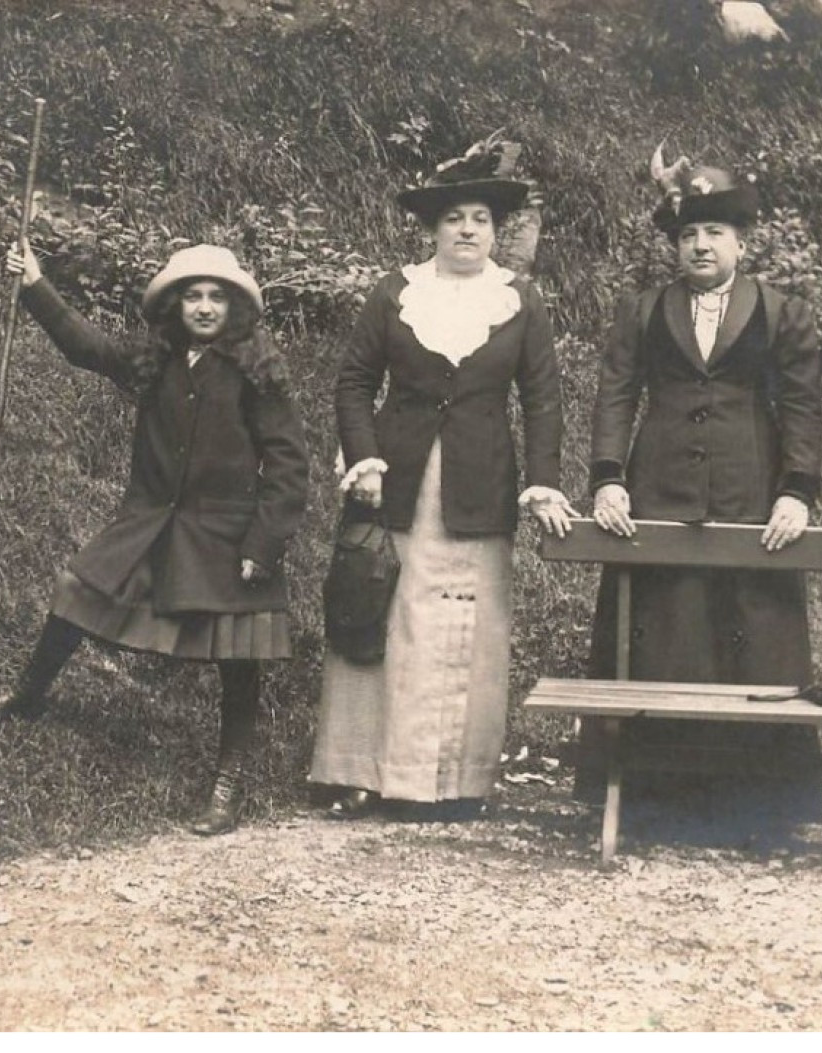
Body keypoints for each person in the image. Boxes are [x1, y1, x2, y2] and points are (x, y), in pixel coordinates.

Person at [0, 240, 310, 837]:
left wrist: (263, 544)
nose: (204, 307)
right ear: (174, 305)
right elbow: (86, 348)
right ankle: (29, 695)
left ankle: (226, 781)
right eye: (192, 296)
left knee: (239, 652)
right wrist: (34, 285)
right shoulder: (157, 360)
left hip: (227, 532)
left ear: (235, 308)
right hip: (151, 520)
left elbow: (287, 467)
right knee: (78, 589)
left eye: (216, 297)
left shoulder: (259, 374)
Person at [308, 136, 575, 822]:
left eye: (480, 219)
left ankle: (453, 782)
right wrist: (362, 456)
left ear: (496, 231)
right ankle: (362, 773)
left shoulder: (519, 300)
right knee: (386, 617)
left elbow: (543, 397)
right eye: (453, 218)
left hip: (478, 484)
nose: (466, 230)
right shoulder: (395, 291)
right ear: (432, 228)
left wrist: (542, 480)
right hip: (393, 483)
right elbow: (353, 382)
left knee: (463, 626)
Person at [580, 151, 822, 839]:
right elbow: (615, 396)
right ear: (674, 243)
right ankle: (655, 806)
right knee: (663, 638)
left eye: (715, 231)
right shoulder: (642, 311)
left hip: (752, 503)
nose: (700, 244)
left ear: (740, 242)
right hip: (656, 495)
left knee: (753, 644)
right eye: (688, 233)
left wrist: (796, 493)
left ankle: (758, 812)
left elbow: (802, 410)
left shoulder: (783, 314)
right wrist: (607, 480)